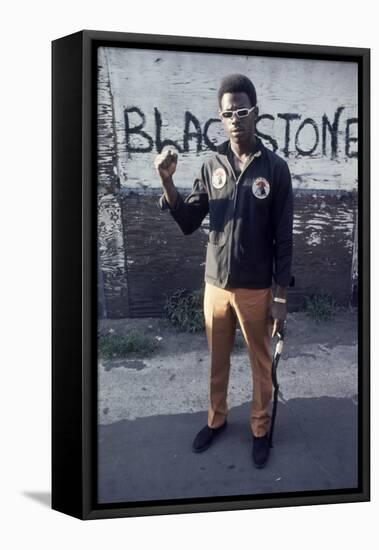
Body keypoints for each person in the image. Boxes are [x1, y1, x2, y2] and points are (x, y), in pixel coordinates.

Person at [155, 74, 293, 469]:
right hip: (215, 286)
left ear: (256, 114)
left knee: (260, 365)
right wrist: (167, 183)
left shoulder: (275, 169)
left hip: (255, 290)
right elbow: (187, 220)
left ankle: (260, 428)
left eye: (243, 111)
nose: (235, 119)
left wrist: (280, 296)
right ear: (221, 117)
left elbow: (284, 239)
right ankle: (216, 420)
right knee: (217, 361)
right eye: (228, 113)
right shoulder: (210, 165)